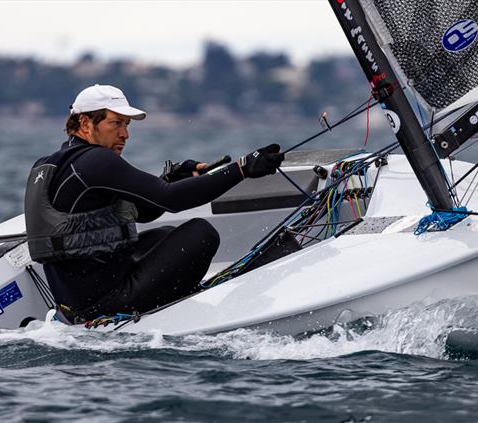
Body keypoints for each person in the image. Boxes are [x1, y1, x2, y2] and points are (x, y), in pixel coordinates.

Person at [24, 84, 284, 323]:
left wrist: (171, 178)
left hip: (74, 303)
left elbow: (145, 211)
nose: (125, 134)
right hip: (103, 304)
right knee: (200, 233)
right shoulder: (95, 162)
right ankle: (170, 310)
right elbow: (170, 199)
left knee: (165, 235)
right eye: (116, 123)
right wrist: (242, 169)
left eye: (127, 125)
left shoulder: (51, 165)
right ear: (85, 122)